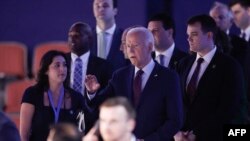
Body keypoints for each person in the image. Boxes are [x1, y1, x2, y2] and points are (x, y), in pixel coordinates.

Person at [85, 27, 183, 141]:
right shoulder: (120, 75)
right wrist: (92, 92)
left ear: (150, 47)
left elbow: (175, 121)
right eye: (128, 46)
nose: (130, 51)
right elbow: (98, 105)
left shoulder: (168, 77)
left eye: (135, 45)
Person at [176, 14, 247, 141]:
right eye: (188, 34)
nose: (188, 39)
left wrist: (198, 133)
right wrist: (177, 133)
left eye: (194, 34)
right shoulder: (184, 64)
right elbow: (177, 102)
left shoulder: (229, 66)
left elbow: (228, 109)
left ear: (209, 35)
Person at [20, 50, 86, 141]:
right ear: (46, 71)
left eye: (64, 65)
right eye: (57, 65)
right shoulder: (32, 94)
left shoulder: (77, 97)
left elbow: (81, 131)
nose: (62, 69)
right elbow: (24, 133)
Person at [66, 22, 113, 133]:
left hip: (93, 122)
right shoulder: (60, 62)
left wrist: (92, 94)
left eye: (77, 35)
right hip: (63, 118)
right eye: (70, 35)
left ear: (90, 39)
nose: (72, 39)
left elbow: (107, 97)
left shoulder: (104, 66)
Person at [91, 0, 126, 71]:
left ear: (115, 10)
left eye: (105, 5)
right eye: (97, 6)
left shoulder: (126, 37)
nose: (101, 9)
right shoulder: (85, 37)